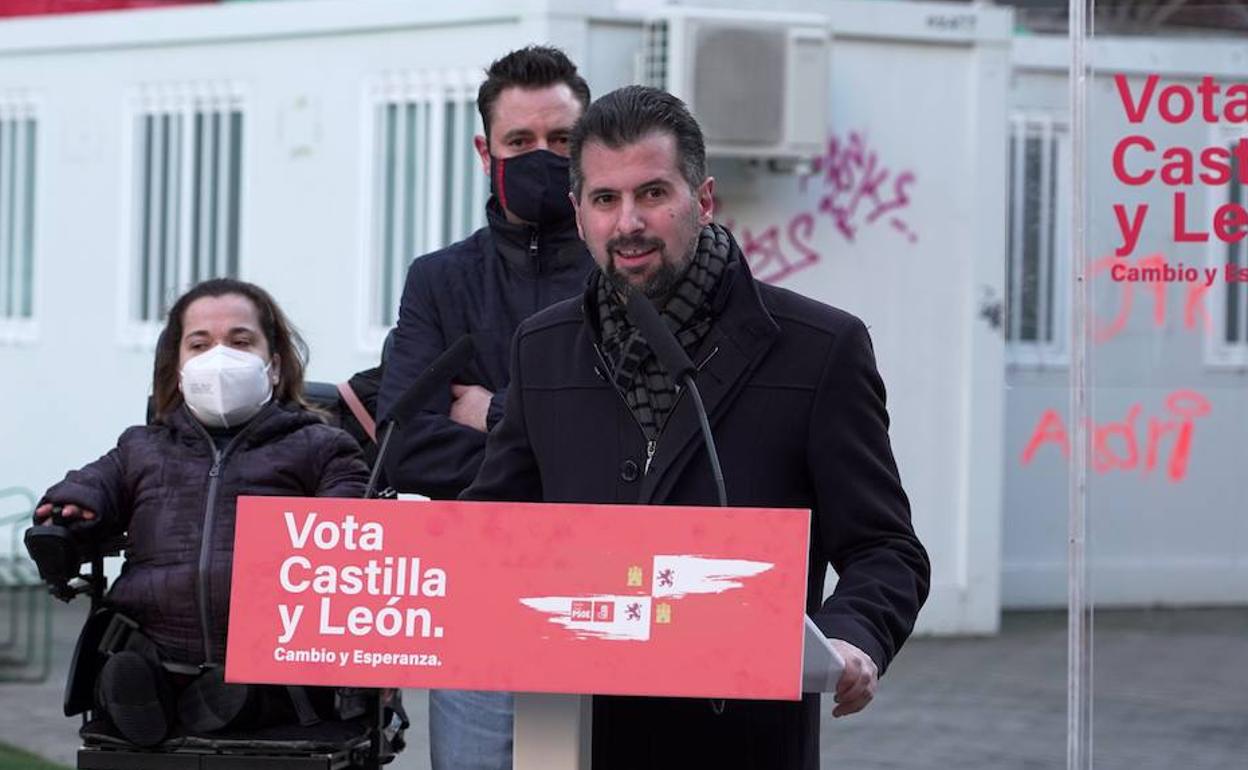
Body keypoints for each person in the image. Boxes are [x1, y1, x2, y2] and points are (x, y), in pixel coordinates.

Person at [462, 85, 931, 769]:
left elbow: (887, 548)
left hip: (742, 740)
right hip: (572, 734)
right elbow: (494, 528)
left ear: (702, 199)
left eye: (653, 194)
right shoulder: (542, 348)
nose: (628, 222)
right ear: (579, 213)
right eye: (605, 199)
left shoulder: (819, 348)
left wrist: (852, 636)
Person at [375, 44, 595, 770]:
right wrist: (566, 451)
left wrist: (496, 411)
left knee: (559, 760)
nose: (542, 157)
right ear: (484, 148)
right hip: (475, 589)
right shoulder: (439, 280)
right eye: (521, 142)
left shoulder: (621, 278)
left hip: (592, 586)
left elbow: (645, 439)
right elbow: (406, 442)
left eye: (562, 141)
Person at [34, 278, 370, 747]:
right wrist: (71, 507)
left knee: (259, 685)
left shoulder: (323, 447)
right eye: (200, 344)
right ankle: (147, 695)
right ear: (179, 371)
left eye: (240, 341)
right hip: (157, 648)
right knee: (137, 668)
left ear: (272, 367)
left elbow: (353, 522)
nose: (220, 357)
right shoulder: (141, 447)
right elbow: (91, 483)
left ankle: (238, 696)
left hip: (275, 655)